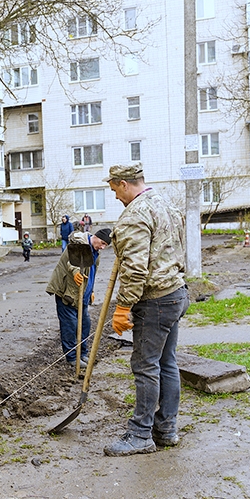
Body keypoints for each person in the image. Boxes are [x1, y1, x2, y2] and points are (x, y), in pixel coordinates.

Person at [102, 162, 188, 457]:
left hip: (155, 301)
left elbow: (135, 270)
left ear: (124, 183)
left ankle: (140, 435)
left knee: (145, 365)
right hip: (175, 292)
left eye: (114, 189)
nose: (114, 196)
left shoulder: (134, 216)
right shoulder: (166, 204)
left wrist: (123, 307)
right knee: (167, 363)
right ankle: (166, 429)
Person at [45, 228, 111, 369]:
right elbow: (72, 262)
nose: (103, 247)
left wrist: (91, 290)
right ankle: (72, 357)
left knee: (85, 324)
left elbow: (93, 272)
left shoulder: (96, 252)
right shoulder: (78, 244)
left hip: (83, 294)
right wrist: (76, 272)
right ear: (96, 236)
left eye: (106, 245)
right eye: (102, 242)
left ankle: (82, 353)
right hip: (67, 291)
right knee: (70, 325)